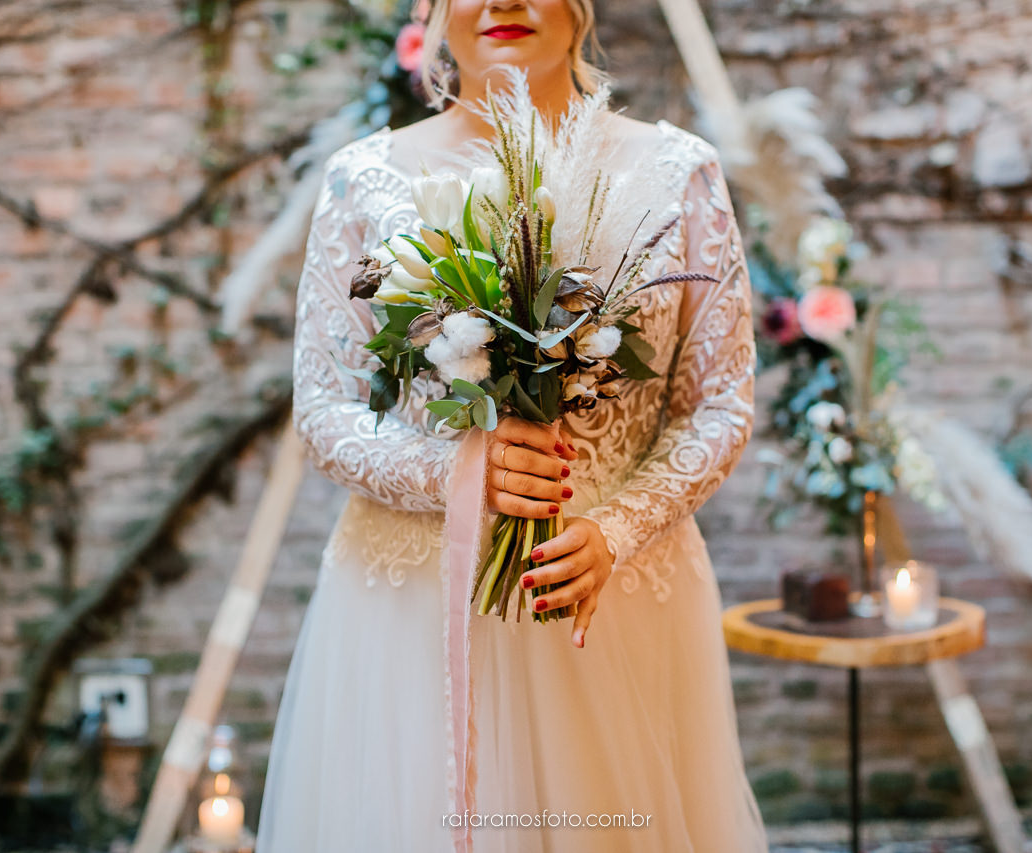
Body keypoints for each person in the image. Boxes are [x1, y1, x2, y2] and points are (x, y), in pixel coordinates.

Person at [255, 0, 769, 850]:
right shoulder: (365, 178)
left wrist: (616, 527)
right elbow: (324, 410)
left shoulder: (679, 173)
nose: (504, 1)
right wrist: (453, 474)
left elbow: (720, 403)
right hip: (411, 612)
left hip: (608, 602)